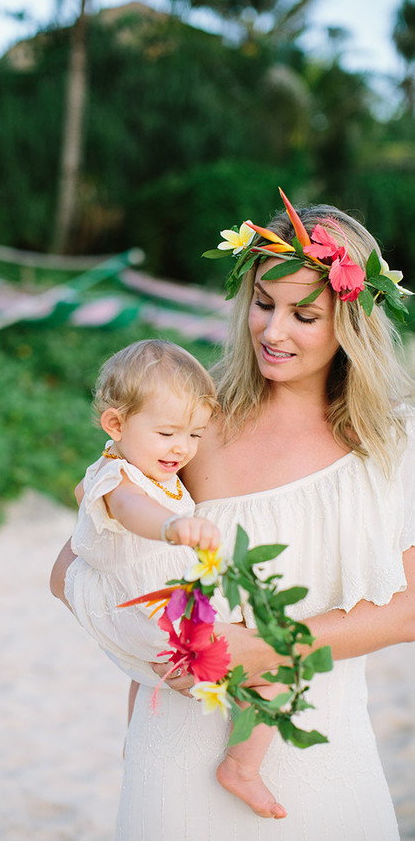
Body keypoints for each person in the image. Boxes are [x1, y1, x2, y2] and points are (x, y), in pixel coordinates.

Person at [51, 190, 415, 840]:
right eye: (264, 304)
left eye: (305, 314)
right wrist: (157, 650)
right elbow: (78, 567)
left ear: (352, 319)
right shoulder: (195, 426)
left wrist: (274, 646)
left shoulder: (392, 442)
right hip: (179, 750)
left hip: (322, 750)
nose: (273, 332)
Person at [65, 338, 287, 819]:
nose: (182, 448)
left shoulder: (148, 468)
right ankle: (241, 768)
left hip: (155, 610)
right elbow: (133, 509)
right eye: (167, 433)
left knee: (145, 677)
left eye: (194, 434)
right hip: (155, 613)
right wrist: (169, 526)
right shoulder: (118, 479)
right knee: (273, 672)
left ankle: (135, 739)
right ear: (116, 424)